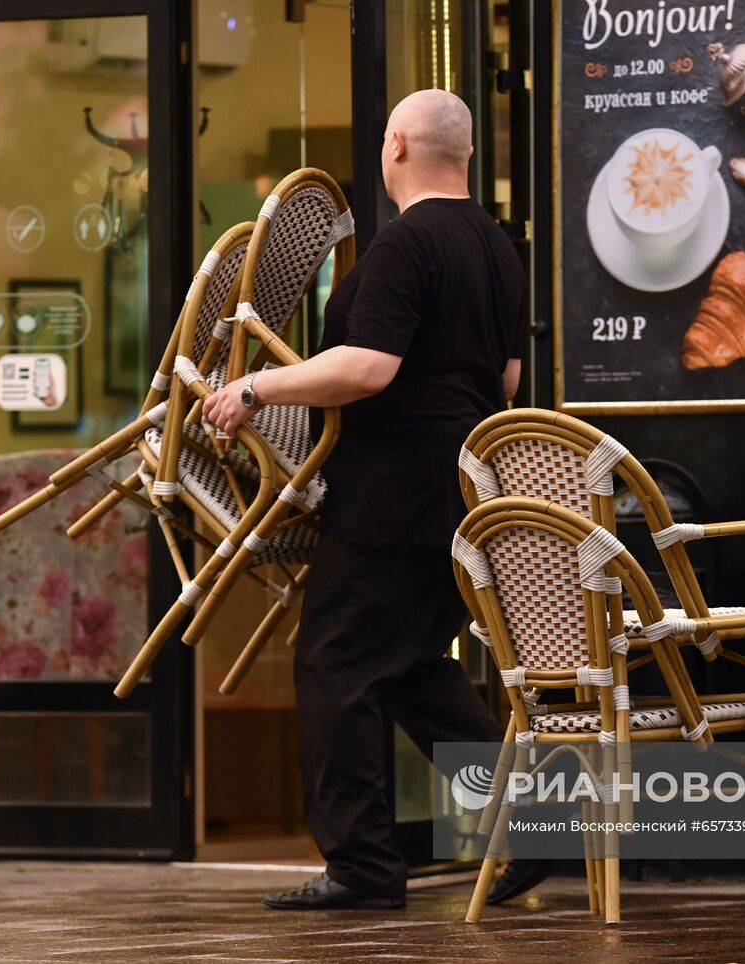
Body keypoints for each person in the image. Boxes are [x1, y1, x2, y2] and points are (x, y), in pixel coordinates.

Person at [202, 89, 547, 910]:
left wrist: (254, 388)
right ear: (461, 155)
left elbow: (367, 369)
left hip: (391, 497)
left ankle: (362, 867)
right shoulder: (497, 249)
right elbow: (504, 382)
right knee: (411, 669)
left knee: (335, 666)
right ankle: (533, 823)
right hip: (464, 492)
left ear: (396, 146)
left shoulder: (403, 247)